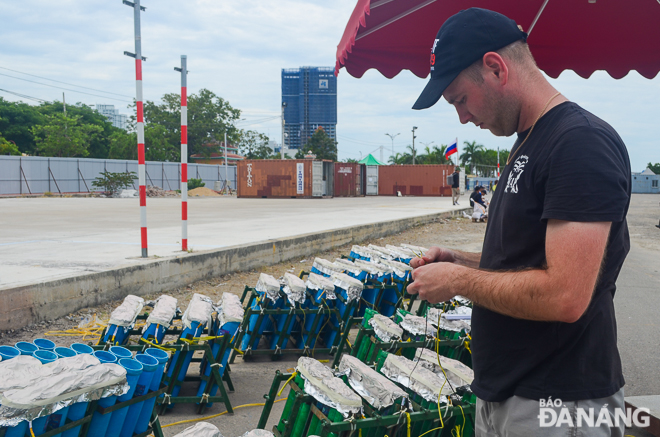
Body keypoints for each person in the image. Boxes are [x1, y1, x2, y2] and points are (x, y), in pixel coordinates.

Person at [408, 7, 631, 436]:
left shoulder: (578, 143)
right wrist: (461, 259)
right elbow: (522, 259)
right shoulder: (528, 141)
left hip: (561, 403)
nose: (462, 117)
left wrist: (456, 280)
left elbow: (565, 295)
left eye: (459, 99)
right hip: (509, 394)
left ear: (495, 67)